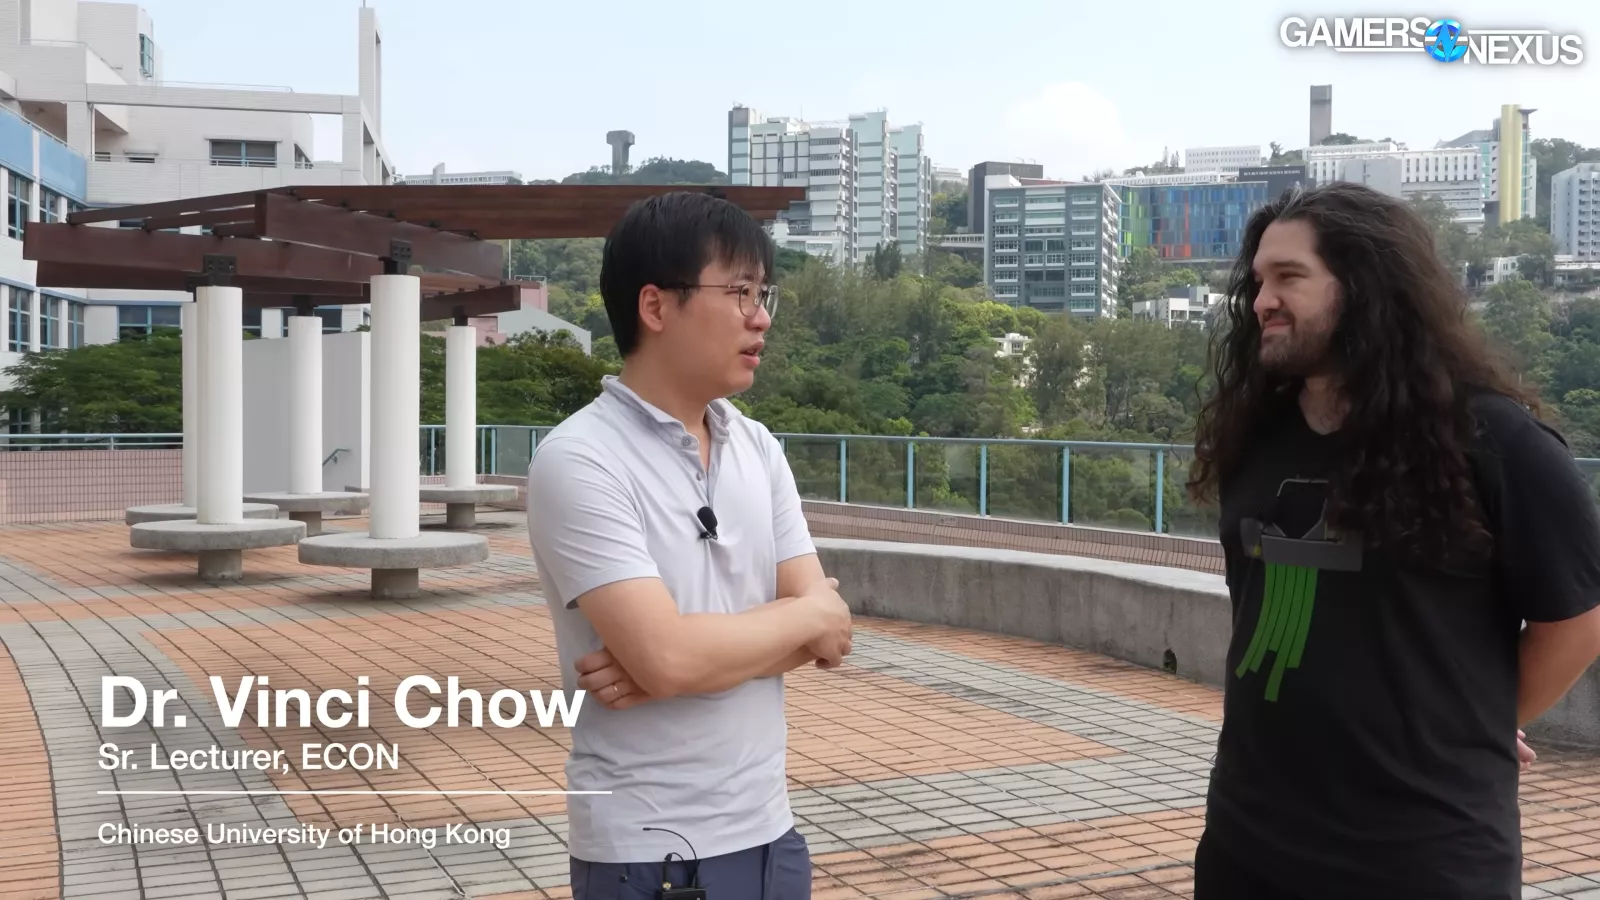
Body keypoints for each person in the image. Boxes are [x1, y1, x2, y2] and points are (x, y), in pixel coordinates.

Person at [1187, 181, 1600, 900]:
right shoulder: (1255, 440)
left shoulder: (1496, 442)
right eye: (1257, 282)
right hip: (1247, 841)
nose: (1261, 302)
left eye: (1289, 278)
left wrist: (1473, 723)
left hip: (1420, 856)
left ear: (1366, 288)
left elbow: (1577, 622)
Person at [525, 190, 851, 899]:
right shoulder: (581, 459)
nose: (760, 316)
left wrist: (675, 662)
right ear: (655, 306)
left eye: (763, 294)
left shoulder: (757, 447)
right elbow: (691, 651)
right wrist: (787, 621)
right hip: (651, 853)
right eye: (738, 292)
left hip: (772, 834)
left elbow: (830, 637)